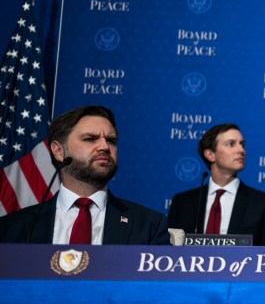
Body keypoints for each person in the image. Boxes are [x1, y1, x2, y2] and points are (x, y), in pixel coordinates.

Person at [0, 104, 169, 245]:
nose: (104, 146)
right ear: (58, 151)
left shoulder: (149, 226)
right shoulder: (13, 228)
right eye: (90, 139)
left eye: (111, 141)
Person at [166, 123, 265, 245]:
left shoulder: (263, 204)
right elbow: (169, 253)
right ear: (210, 155)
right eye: (231, 144)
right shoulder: (183, 202)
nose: (241, 150)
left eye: (242, 144)